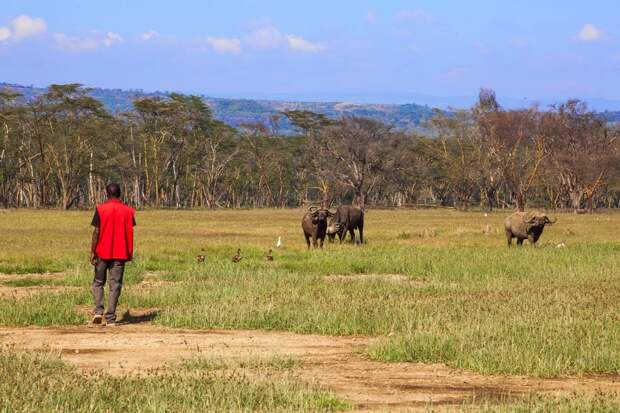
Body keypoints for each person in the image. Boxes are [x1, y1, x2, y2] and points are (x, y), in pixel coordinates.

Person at [90, 183, 136, 326]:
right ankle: (110, 318)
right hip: (120, 253)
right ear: (120, 193)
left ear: (106, 193)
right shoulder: (128, 211)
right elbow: (129, 229)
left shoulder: (101, 209)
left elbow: (96, 231)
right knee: (115, 285)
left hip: (102, 252)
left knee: (98, 282)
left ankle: (98, 311)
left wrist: (92, 251)